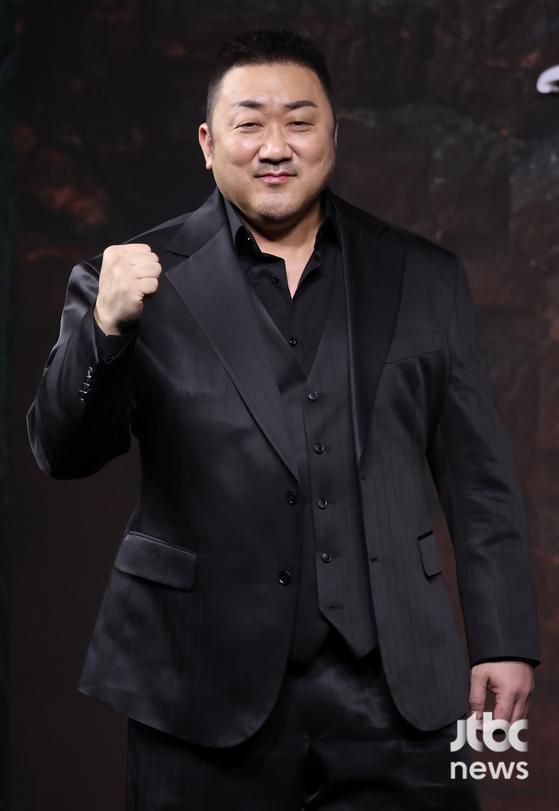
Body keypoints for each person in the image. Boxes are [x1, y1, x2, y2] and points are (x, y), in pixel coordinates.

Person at [26, 27, 540, 811]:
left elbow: (480, 481)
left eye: (299, 122)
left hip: (396, 682)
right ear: (208, 143)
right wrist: (105, 328)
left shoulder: (423, 276)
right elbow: (60, 450)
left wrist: (502, 639)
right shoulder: (129, 277)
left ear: (334, 134)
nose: (275, 146)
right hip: (197, 680)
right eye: (249, 123)